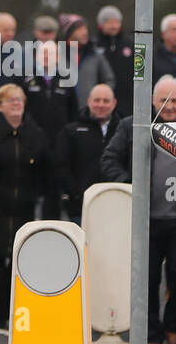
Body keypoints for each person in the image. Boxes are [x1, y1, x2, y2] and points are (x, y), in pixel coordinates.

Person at [100, 78, 176, 344]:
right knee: (146, 281)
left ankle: (172, 327)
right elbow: (108, 159)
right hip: (145, 222)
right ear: (153, 100)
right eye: (164, 100)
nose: (169, 106)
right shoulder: (133, 126)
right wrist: (130, 184)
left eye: (175, 101)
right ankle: (153, 335)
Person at [0, 85, 48, 328]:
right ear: (0, 106)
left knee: (20, 259)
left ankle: (15, 309)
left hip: (25, 204)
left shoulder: (35, 133)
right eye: (11, 100)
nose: (16, 103)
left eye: (20, 99)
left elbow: (44, 166)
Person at [22, 40, 77, 219]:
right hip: (32, 145)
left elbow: (73, 113)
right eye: (42, 54)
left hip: (58, 146)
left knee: (53, 194)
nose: (46, 58)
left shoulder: (67, 81)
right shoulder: (26, 79)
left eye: (50, 54)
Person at [53, 83, 120, 225]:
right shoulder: (71, 131)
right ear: (89, 101)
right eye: (97, 100)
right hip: (80, 209)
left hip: (116, 207)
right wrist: (76, 194)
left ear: (113, 103)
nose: (101, 105)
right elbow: (60, 165)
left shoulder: (123, 131)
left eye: (106, 101)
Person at [58, 14, 115, 105]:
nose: (85, 32)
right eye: (80, 29)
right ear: (69, 32)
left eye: (85, 28)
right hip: (64, 113)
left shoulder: (95, 56)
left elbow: (109, 80)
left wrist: (100, 99)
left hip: (90, 112)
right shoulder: (57, 55)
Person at [92, 5, 133, 113]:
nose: (114, 26)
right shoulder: (94, 46)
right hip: (102, 102)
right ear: (101, 25)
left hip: (127, 102)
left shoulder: (130, 44)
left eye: (117, 22)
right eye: (110, 23)